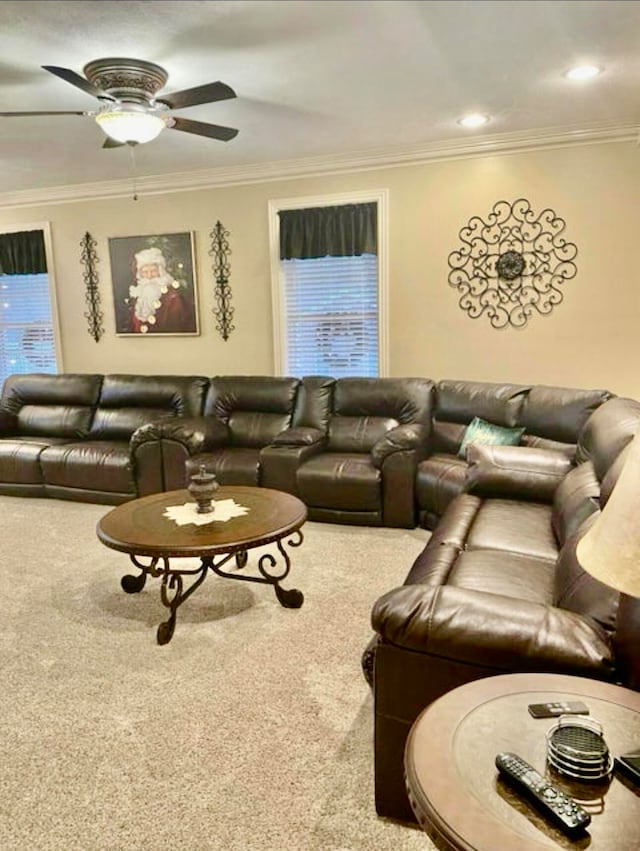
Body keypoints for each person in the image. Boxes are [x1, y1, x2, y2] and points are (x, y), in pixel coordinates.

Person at [125, 246, 194, 334]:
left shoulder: (173, 297)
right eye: (145, 272)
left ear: (160, 271)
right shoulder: (137, 296)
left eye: (153, 271)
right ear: (140, 274)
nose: (149, 276)